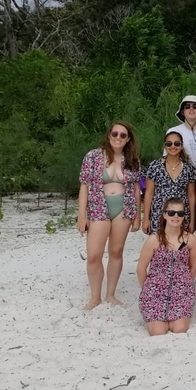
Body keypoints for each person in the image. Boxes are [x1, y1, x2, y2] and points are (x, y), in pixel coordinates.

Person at [78, 122, 142, 309]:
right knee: (94, 255)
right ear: (109, 135)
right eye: (115, 133)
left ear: (128, 139)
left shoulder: (132, 159)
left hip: (124, 207)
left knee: (116, 251)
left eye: (123, 135)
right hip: (98, 207)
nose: (118, 137)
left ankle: (111, 294)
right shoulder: (93, 156)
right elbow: (84, 185)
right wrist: (81, 215)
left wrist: (137, 215)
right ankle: (95, 297)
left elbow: (137, 188)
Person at [136, 198, 196, 335]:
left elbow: (193, 268)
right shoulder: (154, 239)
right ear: (164, 215)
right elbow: (141, 268)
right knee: (158, 332)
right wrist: (148, 289)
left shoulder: (191, 240)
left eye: (180, 213)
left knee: (179, 329)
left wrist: (185, 286)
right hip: (155, 292)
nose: (176, 216)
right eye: (171, 213)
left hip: (181, 292)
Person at [143, 130, 196, 235]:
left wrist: (192, 220)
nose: (173, 146)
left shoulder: (189, 168)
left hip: (181, 215)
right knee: (158, 245)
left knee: (179, 246)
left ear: (181, 146)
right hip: (158, 213)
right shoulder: (155, 166)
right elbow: (149, 193)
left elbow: (191, 195)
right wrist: (146, 218)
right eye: (169, 143)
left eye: (177, 143)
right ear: (165, 146)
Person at [166, 95, 196, 166]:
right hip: (181, 175)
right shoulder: (173, 132)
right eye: (187, 107)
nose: (191, 109)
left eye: (195, 107)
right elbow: (167, 158)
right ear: (183, 112)